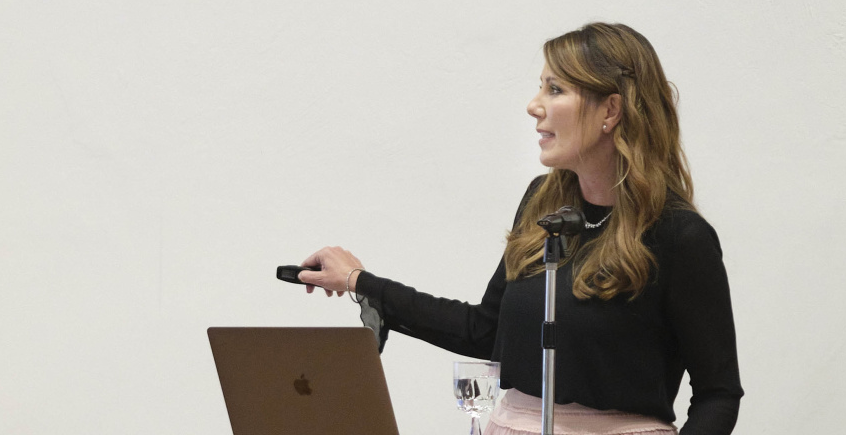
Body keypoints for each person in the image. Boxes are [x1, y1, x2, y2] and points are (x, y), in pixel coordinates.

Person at [299, 23, 742, 435]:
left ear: (610, 109)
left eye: (556, 89)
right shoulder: (542, 204)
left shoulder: (679, 236)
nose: (534, 106)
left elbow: (718, 394)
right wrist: (360, 281)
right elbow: (486, 332)